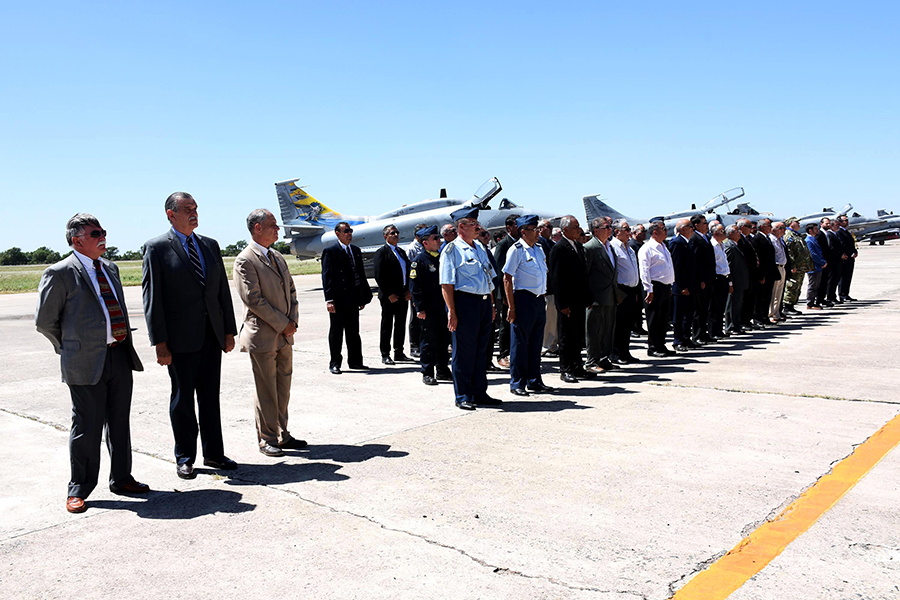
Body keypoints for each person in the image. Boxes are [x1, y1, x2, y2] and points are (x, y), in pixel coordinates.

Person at [36, 214, 148, 513]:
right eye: (95, 233)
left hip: (119, 355)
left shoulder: (109, 268)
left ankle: (122, 478)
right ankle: (79, 488)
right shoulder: (59, 273)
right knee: (86, 426)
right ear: (76, 240)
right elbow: (45, 321)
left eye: (103, 231)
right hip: (84, 361)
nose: (103, 237)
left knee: (119, 422)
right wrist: (71, 347)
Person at [142, 192, 238, 480]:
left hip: (211, 336)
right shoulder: (156, 248)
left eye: (195, 208)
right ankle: (185, 457)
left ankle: (214, 453)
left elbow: (222, 291)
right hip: (180, 340)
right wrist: (160, 342)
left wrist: (228, 331)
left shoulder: (209, 245)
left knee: (211, 398)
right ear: (171, 214)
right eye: (187, 209)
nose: (194, 213)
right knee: (182, 400)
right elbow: (153, 299)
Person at [233, 209, 305, 458]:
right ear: (257, 229)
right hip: (263, 335)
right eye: (272, 225)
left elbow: (292, 292)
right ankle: (267, 438)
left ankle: (282, 433)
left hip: (284, 334)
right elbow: (253, 299)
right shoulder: (245, 260)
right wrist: (282, 323)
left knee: (282, 387)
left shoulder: (277, 256)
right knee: (266, 389)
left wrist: (291, 321)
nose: (277, 229)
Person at [440, 207, 500, 410]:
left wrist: (491, 304)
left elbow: (488, 277)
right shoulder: (451, 250)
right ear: (461, 227)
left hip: (483, 302)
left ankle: (479, 392)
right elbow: (446, 284)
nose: (478, 227)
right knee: (464, 352)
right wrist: (452, 311)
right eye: (473, 224)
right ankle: (463, 395)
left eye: (477, 223)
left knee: (481, 351)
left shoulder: (480, 248)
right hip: (465, 303)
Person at [502, 215, 554, 396]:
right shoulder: (516, 250)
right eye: (535, 230)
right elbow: (507, 278)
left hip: (539, 299)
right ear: (524, 232)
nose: (538, 232)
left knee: (535, 343)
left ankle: (534, 380)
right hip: (523, 299)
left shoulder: (539, 249)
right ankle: (517, 382)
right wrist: (511, 306)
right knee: (519, 343)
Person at [321, 221, 373, 374]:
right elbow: (327, 277)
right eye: (346, 231)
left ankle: (356, 362)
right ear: (338, 234)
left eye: (350, 231)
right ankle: (335, 363)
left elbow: (360, 276)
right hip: (337, 300)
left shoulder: (356, 251)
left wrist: (363, 297)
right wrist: (329, 299)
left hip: (353, 299)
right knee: (336, 332)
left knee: (354, 332)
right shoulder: (331, 252)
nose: (349, 234)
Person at [548, 216, 593, 383]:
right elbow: (557, 278)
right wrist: (562, 304)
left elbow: (583, 275)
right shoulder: (559, 249)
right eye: (575, 227)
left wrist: (588, 297)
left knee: (577, 336)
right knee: (566, 336)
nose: (579, 229)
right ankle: (566, 369)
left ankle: (577, 366)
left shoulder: (578, 247)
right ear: (565, 230)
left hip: (579, 300)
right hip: (567, 302)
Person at [408, 226, 451, 386]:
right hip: (428, 309)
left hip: (443, 307)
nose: (438, 241)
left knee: (443, 340)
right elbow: (415, 287)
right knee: (428, 342)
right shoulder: (419, 261)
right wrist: (419, 308)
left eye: (438, 238)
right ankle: (427, 372)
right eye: (435, 238)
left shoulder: (442, 258)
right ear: (425, 242)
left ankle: (442, 370)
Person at [584, 216, 620, 371]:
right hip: (596, 297)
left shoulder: (609, 246)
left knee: (608, 330)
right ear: (596, 230)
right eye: (606, 227)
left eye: (610, 227)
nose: (609, 230)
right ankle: (592, 361)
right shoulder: (590, 247)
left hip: (610, 295)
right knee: (594, 330)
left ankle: (604, 359)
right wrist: (587, 296)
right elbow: (585, 274)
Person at [374, 224, 412, 365]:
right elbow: (379, 275)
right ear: (385, 236)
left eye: (397, 232)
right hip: (389, 296)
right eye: (392, 233)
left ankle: (399, 352)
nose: (396, 235)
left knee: (400, 324)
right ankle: (385, 353)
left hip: (403, 294)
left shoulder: (401, 252)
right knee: (387, 325)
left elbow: (408, 272)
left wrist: (409, 290)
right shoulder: (381, 252)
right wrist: (389, 293)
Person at [638, 221, 675, 357]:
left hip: (665, 286)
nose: (666, 231)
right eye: (663, 229)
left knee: (663, 318)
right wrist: (648, 288)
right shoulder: (647, 248)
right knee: (654, 318)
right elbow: (644, 269)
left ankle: (661, 344)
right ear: (655, 232)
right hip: (654, 286)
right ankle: (653, 346)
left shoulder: (663, 246)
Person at [610, 219, 641, 363]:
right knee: (619, 324)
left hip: (631, 289)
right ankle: (616, 353)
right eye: (626, 229)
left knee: (627, 323)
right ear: (617, 232)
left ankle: (625, 352)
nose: (629, 232)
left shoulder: (629, 247)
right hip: (620, 290)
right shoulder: (613, 247)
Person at [493, 215, 521, 368]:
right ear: (509, 227)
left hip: (521, 290)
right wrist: (503, 294)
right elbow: (498, 271)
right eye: (517, 225)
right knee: (506, 323)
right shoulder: (504, 244)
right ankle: (503, 354)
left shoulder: (523, 243)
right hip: (507, 291)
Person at [668, 219, 697, 352]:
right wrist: (681, 286)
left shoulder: (687, 243)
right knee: (679, 316)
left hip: (690, 285)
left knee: (688, 315)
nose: (693, 229)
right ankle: (678, 340)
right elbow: (677, 266)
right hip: (681, 287)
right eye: (690, 227)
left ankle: (686, 338)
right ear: (683, 228)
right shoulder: (676, 243)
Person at [689, 214, 716, 344]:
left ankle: (704, 334)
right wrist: (700, 279)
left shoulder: (705, 238)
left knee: (705, 308)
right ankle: (697, 335)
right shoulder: (694, 239)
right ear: (696, 225)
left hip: (709, 279)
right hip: (701, 281)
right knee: (698, 310)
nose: (707, 225)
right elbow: (695, 262)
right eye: (704, 223)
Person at [406, 223, 428, 358]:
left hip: (427, 289)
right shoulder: (412, 249)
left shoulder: (425, 247)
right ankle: (414, 345)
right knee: (415, 318)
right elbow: (409, 272)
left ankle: (423, 343)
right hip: (416, 288)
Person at [782, 218, 812, 315]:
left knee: (797, 287)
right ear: (791, 223)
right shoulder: (788, 235)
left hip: (800, 267)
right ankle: (787, 306)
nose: (799, 224)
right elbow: (789, 252)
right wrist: (792, 265)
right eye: (797, 222)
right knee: (791, 286)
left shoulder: (796, 235)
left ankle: (792, 305)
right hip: (795, 267)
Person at [723, 224, 749, 335]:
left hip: (740, 280)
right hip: (734, 281)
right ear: (731, 234)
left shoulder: (736, 245)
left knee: (737, 304)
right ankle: (730, 326)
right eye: (737, 231)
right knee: (732, 304)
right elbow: (728, 265)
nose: (739, 233)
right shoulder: (729, 246)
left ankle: (736, 325)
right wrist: (730, 282)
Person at [736, 219, 763, 330]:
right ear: (742, 228)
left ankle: (747, 320)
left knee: (750, 299)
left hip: (752, 275)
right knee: (744, 300)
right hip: (746, 274)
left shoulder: (749, 239)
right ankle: (743, 321)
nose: (751, 228)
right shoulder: (740, 240)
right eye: (748, 226)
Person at [751, 219, 777, 327]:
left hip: (769, 273)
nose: (771, 228)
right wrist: (760, 275)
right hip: (763, 274)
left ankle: (765, 316)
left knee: (767, 297)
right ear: (762, 227)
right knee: (760, 297)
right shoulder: (757, 239)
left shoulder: (767, 238)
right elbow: (758, 258)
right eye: (768, 225)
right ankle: (758, 318)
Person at [708, 224, 733, 338]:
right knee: (714, 307)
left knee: (721, 306)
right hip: (717, 278)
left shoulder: (721, 245)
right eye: (722, 231)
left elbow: (725, 264)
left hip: (724, 277)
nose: (724, 233)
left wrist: (730, 282)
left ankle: (718, 330)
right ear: (715, 233)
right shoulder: (712, 245)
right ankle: (713, 331)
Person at [767, 221, 790, 323]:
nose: (783, 230)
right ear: (773, 229)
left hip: (782, 267)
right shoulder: (771, 240)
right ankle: (771, 314)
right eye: (781, 228)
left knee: (779, 293)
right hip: (776, 267)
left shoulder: (780, 240)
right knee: (774, 292)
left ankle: (776, 313)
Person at [629, 224, 648, 336]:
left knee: (640, 305)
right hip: (634, 280)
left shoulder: (642, 245)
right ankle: (634, 327)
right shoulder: (632, 246)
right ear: (635, 233)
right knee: (634, 306)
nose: (644, 233)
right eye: (642, 231)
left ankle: (639, 326)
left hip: (641, 279)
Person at [805, 222, 827, 310]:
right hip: (813, 266)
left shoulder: (813, 239)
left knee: (816, 285)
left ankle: (813, 302)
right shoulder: (808, 240)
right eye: (815, 229)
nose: (817, 230)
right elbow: (813, 254)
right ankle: (810, 303)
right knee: (813, 285)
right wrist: (822, 262)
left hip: (817, 267)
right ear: (810, 230)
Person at [836, 215, 858, 301]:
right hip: (845, 258)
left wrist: (855, 252)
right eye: (845, 221)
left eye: (847, 220)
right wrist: (850, 253)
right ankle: (842, 295)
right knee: (843, 277)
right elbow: (843, 245)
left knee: (848, 276)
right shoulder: (839, 232)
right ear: (840, 222)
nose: (847, 222)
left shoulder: (846, 231)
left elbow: (851, 244)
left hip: (850, 257)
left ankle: (846, 293)